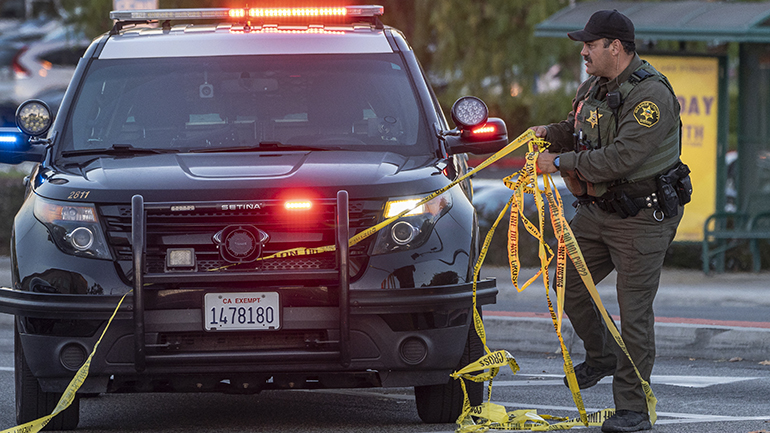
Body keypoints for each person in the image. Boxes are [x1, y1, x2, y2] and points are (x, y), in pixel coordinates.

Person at [531, 9, 691, 433]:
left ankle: (634, 410)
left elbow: (620, 157)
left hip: (642, 218)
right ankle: (600, 356)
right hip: (599, 213)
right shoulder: (594, 86)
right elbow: (577, 128)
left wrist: (559, 162)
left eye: (590, 44)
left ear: (614, 47)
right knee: (564, 278)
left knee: (633, 313)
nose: (583, 51)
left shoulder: (651, 97)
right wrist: (547, 133)